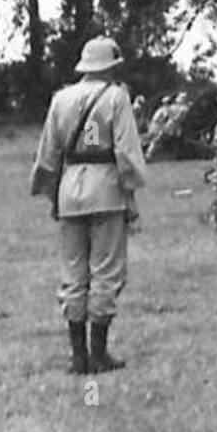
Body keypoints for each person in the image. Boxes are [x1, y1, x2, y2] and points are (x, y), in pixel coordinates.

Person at [30, 36, 146, 374]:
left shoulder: (61, 99)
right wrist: (131, 193)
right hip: (106, 187)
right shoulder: (116, 98)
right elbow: (125, 152)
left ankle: (77, 355)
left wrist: (53, 195)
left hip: (70, 188)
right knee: (106, 270)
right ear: (111, 65)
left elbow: (48, 154)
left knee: (73, 271)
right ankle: (98, 352)